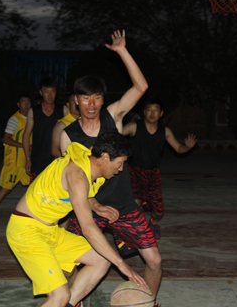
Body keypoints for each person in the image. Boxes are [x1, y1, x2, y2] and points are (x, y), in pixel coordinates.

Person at [59, 30, 162, 305]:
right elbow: (71, 182)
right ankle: (71, 302)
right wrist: (94, 205)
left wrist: (122, 52)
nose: (91, 104)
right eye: (85, 98)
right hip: (90, 208)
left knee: (154, 260)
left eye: (96, 97)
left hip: (125, 206)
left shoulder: (113, 117)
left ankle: (147, 302)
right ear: (76, 100)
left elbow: (140, 87)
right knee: (70, 263)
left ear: (103, 99)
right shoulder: (68, 136)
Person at [7, 131, 147, 307]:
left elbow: (79, 192)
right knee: (59, 295)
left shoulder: (88, 161)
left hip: (50, 231)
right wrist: (121, 264)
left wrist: (95, 205)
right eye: (120, 164)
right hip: (26, 231)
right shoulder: (77, 176)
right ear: (105, 157)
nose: (120, 169)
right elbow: (88, 229)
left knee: (101, 260)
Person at [122, 98, 197, 240]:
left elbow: (179, 148)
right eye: (149, 110)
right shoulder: (134, 127)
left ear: (161, 113)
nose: (152, 113)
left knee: (158, 212)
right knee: (135, 204)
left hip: (153, 174)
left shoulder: (165, 131)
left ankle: (154, 223)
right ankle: (135, 230)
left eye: (156, 110)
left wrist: (187, 147)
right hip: (134, 171)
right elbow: (115, 134)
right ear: (145, 112)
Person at [0, 94, 32, 228]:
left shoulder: (31, 119)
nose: (26, 104)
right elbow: (6, 139)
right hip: (14, 162)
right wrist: (24, 146)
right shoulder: (14, 120)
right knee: (6, 188)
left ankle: (31, 215)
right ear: (18, 104)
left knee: (34, 186)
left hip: (25, 161)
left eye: (28, 102)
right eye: (23, 102)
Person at [22, 78, 68, 182]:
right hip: (38, 160)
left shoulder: (63, 110)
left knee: (57, 190)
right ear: (41, 92)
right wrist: (28, 159)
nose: (50, 95)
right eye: (46, 91)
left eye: (53, 91)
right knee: (36, 190)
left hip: (57, 160)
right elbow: (26, 136)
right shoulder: (34, 112)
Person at [51, 92, 80, 158]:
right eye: (74, 102)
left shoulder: (85, 121)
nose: (76, 104)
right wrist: (69, 161)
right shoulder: (62, 125)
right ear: (68, 105)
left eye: (78, 101)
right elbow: (55, 151)